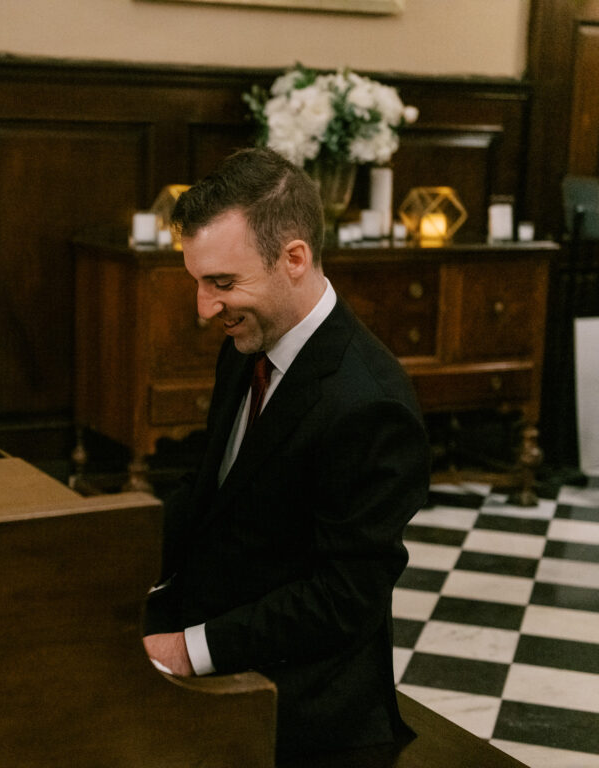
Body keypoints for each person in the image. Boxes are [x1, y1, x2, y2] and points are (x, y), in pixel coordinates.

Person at [142, 147, 431, 760]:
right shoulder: (248, 339)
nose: (204, 307)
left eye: (222, 283)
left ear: (294, 258)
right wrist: (103, 555)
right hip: (219, 634)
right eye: (198, 281)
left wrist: (187, 650)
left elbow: (343, 599)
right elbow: (215, 495)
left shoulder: (370, 404)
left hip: (302, 703)